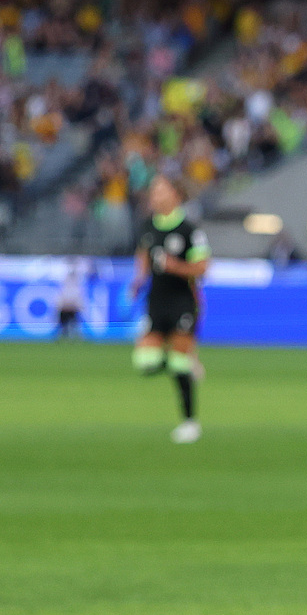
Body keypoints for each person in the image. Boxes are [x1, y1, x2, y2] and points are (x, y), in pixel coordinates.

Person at [129, 175, 209, 443]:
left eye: (161, 190)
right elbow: (143, 257)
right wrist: (138, 281)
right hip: (156, 300)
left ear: (175, 194)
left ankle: (190, 422)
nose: (155, 195)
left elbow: (202, 268)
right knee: (145, 361)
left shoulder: (189, 231)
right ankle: (187, 363)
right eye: (153, 191)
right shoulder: (147, 227)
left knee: (178, 363)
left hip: (183, 301)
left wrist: (176, 266)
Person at [56, 256, 88, 340]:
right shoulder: (65, 281)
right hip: (66, 306)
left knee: (73, 323)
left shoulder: (77, 281)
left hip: (72, 307)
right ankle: (64, 335)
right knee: (64, 324)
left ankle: (74, 336)